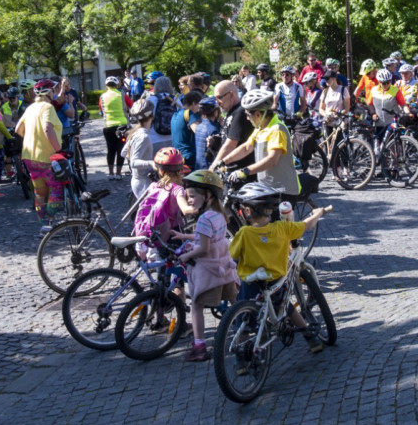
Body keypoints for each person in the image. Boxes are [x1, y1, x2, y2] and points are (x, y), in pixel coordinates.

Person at [228, 181, 326, 356]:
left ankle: (240, 358)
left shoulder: (243, 234)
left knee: (244, 319)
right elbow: (306, 225)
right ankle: (310, 336)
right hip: (275, 281)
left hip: (251, 284)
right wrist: (317, 214)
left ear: (248, 211)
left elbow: (232, 254)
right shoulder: (282, 228)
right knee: (285, 306)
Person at [170, 170, 238, 362]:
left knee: (197, 305)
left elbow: (203, 247)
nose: (189, 200)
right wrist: (185, 236)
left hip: (208, 271)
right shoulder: (218, 214)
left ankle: (199, 346)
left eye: (192, 196)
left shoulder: (203, 219)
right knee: (235, 301)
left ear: (207, 195)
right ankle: (246, 329)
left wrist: (185, 257)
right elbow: (209, 236)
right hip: (224, 266)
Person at [220, 89, 300, 200]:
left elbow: (272, 160)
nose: (247, 118)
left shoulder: (277, 129)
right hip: (267, 187)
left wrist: (245, 171)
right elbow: (246, 147)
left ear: (258, 114)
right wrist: (223, 161)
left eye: (248, 115)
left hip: (283, 189)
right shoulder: (261, 128)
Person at [15, 79, 63, 236]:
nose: (54, 93)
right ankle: (49, 222)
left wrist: (32, 138)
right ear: (48, 92)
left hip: (29, 156)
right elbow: (48, 129)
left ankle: (44, 227)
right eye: (53, 90)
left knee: (40, 192)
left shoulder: (30, 108)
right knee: (56, 189)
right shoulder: (48, 107)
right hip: (46, 156)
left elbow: (18, 129)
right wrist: (59, 150)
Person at [132, 147, 196, 259]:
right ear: (180, 170)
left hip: (156, 233)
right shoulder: (177, 189)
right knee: (179, 264)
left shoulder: (153, 186)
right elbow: (185, 210)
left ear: (160, 171)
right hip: (173, 233)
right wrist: (203, 206)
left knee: (160, 261)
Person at [210, 81, 255, 175]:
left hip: (240, 172)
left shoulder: (240, 112)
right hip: (230, 170)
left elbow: (230, 144)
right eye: (215, 98)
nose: (217, 102)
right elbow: (229, 135)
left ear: (231, 95)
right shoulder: (230, 111)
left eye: (219, 97)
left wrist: (213, 167)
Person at [370, 69, 408, 152]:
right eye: (384, 83)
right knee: (379, 147)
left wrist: (408, 113)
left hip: (391, 122)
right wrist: (373, 113)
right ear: (379, 82)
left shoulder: (395, 90)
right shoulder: (374, 91)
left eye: (388, 82)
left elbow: (403, 104)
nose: (387, 84)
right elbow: (370, 104)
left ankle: (394, 159)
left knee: (392, 144)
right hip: (379, 122)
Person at [99, 76, 130, 181]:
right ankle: (118, 173)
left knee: (110, 150)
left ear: (106, 86)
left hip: (108, 126)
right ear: (117, 85)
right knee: (120, 149)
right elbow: (131, 105)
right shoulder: (122, 95)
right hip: (122, 126)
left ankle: (111, 173)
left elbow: (101, 110)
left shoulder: (102, 97)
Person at [125, 98, 155, 200]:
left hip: (137, 180)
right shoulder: (143, 136)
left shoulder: (136, 132)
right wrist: (151, 163)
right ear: (152, 115)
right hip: (143, 183)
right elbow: (133, 162)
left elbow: (124, 152)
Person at [146, 75, 178, 152]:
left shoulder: (151, 99)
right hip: (172, 139)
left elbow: (145, 118)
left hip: (154, 139)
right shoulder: (176, 100)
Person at [171, 90, 202, 168]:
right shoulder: (189, 113)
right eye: (199, 104)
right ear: (194, 103)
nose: (199, 108)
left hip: (177, 155)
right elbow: (199, 132)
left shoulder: (175, 114)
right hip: (190, 155)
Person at [194, 97, 221, 170]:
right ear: (216, 112)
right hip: (208, 167)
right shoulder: (214, 129)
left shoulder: (199, 126)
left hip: (199, 166)